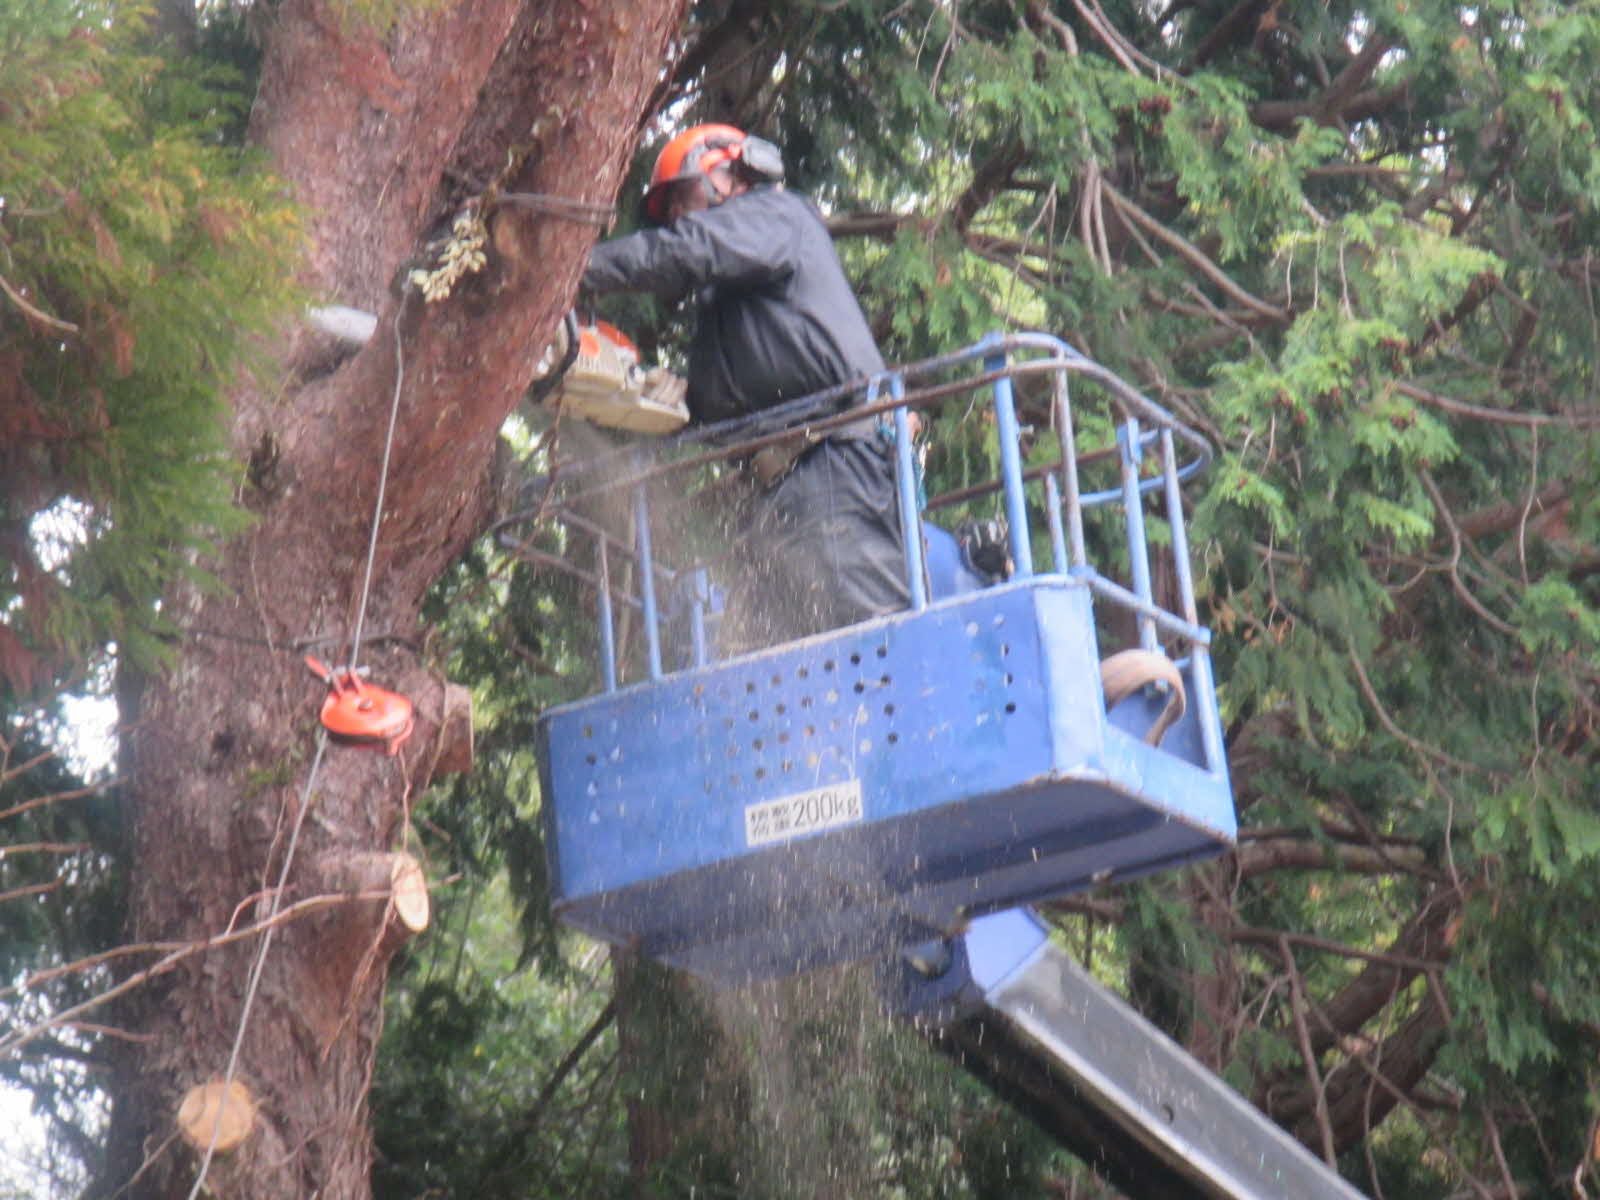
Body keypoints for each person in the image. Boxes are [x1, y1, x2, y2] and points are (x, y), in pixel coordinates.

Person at [580, 123, 909, 646]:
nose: (676, 220)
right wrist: (669, 398)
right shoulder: (736, 304)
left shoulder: (778, 217)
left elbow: (686, 251)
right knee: (774, 656)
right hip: (779, 492)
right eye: (667, 215)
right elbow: (735, 395)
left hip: (833, 469)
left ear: (730, 173)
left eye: (680, 200)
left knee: (870, 639)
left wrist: (576, 269)